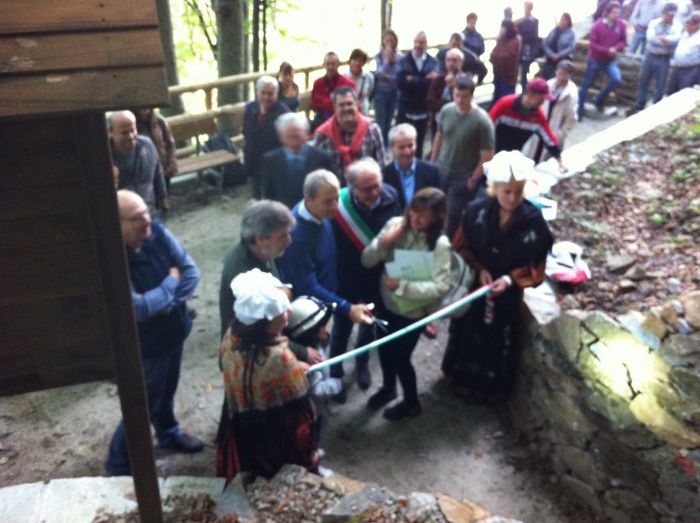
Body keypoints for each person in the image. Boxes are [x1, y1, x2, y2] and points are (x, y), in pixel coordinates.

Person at [441, 151, 553, 403]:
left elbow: (536, 262)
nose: (512, 198)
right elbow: (460, 247)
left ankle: (489, 389)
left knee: (496, 339)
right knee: (468, 332)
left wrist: (511, 279)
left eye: (518, 192)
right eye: (507, 192)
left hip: (507, 295)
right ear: (494, 188)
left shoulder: (534, 222)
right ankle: (461, 380)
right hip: (476, 287)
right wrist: (479, 268)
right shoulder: (475, 211)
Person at [106, 190, 202, 476]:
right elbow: (140, 309)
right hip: (147, 346)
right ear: (117, 223)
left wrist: (164, 303)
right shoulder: (112, 259)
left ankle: (169, 435)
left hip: (174, 331)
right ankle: (118, 462)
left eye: (146, 212)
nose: (147, 221)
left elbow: (191, 273)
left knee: (167, 391)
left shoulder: (156, 231)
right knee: (143, 404)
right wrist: (171, 284)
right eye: (137, 218)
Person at [217, 269, 317, 481]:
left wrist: (292, 369)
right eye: (282, 311)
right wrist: (295, 372)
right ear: (265, 323)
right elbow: (300, 418)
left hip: (242, 427)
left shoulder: (232, 335)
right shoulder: (280, 359)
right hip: (273, 438)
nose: (289, 311)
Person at [361, 188, 452, 420]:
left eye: (424, 215)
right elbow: (367, 260)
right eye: (413, 211)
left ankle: (412, 403)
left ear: (436, 217)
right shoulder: (395, 225)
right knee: (383, 348)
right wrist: (384, 243)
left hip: (412, 313)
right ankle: (388, 388)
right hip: (385, 304)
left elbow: (441, 287)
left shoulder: (440, 244)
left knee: (401, 358)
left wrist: (402, 286)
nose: (415, 219)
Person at [330, 158, 402, 396]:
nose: (375, 192)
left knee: (369, 323)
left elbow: (400, 231)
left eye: (377, 185)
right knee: (342, 326)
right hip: (346, 277)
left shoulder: (391, 195)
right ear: (352, 188)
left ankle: (362, 363)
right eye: (367, 189)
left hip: (376, 276)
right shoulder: (337, 207)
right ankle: (335, 371)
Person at [277, 169, 374, 327]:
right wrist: (347, 308)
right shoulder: (296, 236)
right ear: (308, 200)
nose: (335, 206)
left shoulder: (321, 214)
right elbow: (306, 286)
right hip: (309, 312)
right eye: (328, 201)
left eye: (337, 198)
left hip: (326, 297)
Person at [218, 200, 295, 338]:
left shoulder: (263, 250)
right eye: (282, 236)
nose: (289, 240)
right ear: (260, 239)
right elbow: (260, 334)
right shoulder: (243, 275)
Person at [431, 75, 495, 238]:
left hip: (462, 176)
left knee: (454, 215)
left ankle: (450, 243)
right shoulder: (446, 111)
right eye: (456, 95)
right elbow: (439, 136)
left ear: (472, 95)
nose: (459, 100)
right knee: (435, 208)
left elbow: (488, 153)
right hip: (441, 170)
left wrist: (474, 177)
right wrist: (433, 161)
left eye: (464, 96)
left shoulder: (481, 121)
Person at [284, 295, 341, 467]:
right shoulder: (308, 363)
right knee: (310, 434)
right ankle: (311, 462)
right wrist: (336, 384)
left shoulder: (311, 346)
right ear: (308, 333)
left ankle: (312, 450)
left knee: (314, 433)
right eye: (322, 327)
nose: (327, 329)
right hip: (310, 410)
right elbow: (316, 390)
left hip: (313, 409)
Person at [490, 78, 566, 172]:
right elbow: (486, 128)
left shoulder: (538, 117)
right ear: (531, 94)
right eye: (542, 98)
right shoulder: (505, 104)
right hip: (491, 153)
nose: (543, 101)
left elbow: (549, 139)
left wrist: (560, 161)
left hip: (511, 160)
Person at [261, 113, 333, 208]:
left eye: (297, 135)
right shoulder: (271, 160)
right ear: (281, 137)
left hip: (314, 210)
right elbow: (269, 194)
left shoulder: (322, 157)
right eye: (290, 136)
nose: (294, 140)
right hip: (282, 211)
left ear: (306, 134)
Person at [313, 86, 385, 180]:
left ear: (357, 105)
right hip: (333, 188)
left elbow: (381, 167)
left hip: (366, 186)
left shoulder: (372, 130)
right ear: (335, 108)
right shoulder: (322, 135)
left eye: (349, 104)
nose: (346, 108)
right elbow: (317, 171)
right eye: (341, 105)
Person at [109, 111, 168, 217]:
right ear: (111, 131)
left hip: (150, 212)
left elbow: (158, 173)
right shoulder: (105, 156)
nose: (131, 136)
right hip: (125, 218)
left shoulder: (147, 145)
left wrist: (163, 199)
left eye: (133, 130)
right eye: (124, 133)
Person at [628, 3, 682, 114]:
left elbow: (675, 39)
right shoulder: (654, 23)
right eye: (668, 14)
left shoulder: (677, 25)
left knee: (660, 84)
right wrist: (666, 41)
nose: (670, 17)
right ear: (663, 13)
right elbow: (651, 38)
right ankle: (639, 104)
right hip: (650, 55)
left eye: (672, 15)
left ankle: (654, 108)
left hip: (664, 58)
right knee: (643, 81)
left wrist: (662, 39)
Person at [578, 2, 627, 119]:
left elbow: (623, 41)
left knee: (616, 79)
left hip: (609, 60)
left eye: (618, 13)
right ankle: (580, 109)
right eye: (614, 12)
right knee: (587, 83)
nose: (617, 15)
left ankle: (599, 98)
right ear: (607, 13)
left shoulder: (621, 25)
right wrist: (606, 50)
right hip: (595, 59)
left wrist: (615, 48)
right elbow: (593, 44)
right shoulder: (598, 25)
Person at [243, 76, 290, 199]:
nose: (266, 97)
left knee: (271, 200)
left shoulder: (283, 114)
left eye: (270, 94)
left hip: (273, 167)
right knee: (256, 198)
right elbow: (246, 132)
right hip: (253, 163)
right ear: (257, 93)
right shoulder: (251, 108)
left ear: (276, 94)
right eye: (263, 93)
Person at [522, 61, 579, 163]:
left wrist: (560, 134)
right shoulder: (548, 85)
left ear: (570, 75)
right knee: (531, 154)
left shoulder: (571, 93)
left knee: (547, 158)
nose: (561, 77)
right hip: (540, 124)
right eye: (559, 73)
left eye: (564, 74)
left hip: (555, 129)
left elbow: (571, 118)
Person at [396, 31, 439, 159]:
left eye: (421, 42)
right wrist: (425, 79)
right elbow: (400, 82)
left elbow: (434, 84)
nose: (418, 45)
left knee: (419, 142)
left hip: (422, 109)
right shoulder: (404, 60)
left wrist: (412, 79)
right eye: (416, 42)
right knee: (403, 140)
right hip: (406, 108)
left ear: (426, 44)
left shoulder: (432, 62)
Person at [383, 123, 442, 210]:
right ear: (391, 147)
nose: (407, 152)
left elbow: (439, 204)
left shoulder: (432, 172)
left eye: (410, 146)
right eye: (401, 147)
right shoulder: (385, 175)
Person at [132, 108, 179, 190]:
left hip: (164, 168)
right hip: (146, 172)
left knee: (165, 192)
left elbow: (170, 144)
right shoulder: (133, 124)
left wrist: (172, 164)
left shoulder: (159, 121)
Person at [372, 29, 404, 144]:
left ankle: (387, 145)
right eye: (387, 40)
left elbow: (400, 76)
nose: (389, 43)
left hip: (394, 92)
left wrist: (387, 77)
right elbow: (377, 75)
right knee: (380, 122)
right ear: (383, 41)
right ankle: (379, 145)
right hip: (380, 93)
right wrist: (385, 62)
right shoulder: (378, 57)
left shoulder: (400, 57)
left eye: (392, 40)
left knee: (389, 122)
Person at [311, 52, 356, 130]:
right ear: (324, 65)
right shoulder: (318, 83)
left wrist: (325, 103)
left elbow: (353, 104)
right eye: (328, 64)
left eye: (333, 64)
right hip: (322, 120)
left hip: (343, 120)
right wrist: (333, 103)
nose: (330, 67)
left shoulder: (348, 83)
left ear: (338, 64)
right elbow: (315, 104)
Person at [490, 19, 522, 107]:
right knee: (496, 98)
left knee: (506, 101)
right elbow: (493, 53)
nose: (501, 29)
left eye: (503, 27)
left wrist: (496, 57)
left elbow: (508, 57)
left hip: (508, 77)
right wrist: (495, 56)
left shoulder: (515, 40)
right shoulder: (501, 39)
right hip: (498, 74)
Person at [667, 13, 700, 94]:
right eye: (687, 24)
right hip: (677, 67)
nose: (687, 26)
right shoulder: (685, 34)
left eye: (690, 24)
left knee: (684, 92)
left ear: (696, 25)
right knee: (672, 91)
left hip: (691, 69)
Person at [541, 13, 576, 79]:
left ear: (568, 22)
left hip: (562, 59)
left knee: (556, 76)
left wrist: (559, 55)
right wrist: (551, 54)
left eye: (565, 20)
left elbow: (571, 47)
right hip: (550, 57)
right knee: (545, 76)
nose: (562, 22)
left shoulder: (571, 33)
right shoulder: (554, 31)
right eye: (562, 20)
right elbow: (545, 43)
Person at [515, 1, 540, 92]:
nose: (526, 8)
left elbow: (534, 36)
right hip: (519, 51)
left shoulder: (534, 21)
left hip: (528, 52)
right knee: (518, 72)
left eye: (528, 7)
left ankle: (524, 92)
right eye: (525, 6)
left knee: (524, 73)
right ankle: (520, 91)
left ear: (531, 8)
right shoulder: (520, 20)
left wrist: (522, 37)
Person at [345, 48, 375, 116]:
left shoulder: (369, 77)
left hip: (363, 111)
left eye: (360, 61)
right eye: (355, 60)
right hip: (347, 110)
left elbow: (370, 93)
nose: (357, 63)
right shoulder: (344, 76)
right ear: (350, 61)